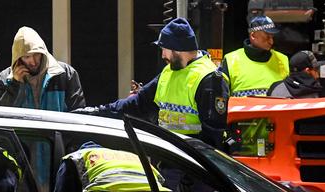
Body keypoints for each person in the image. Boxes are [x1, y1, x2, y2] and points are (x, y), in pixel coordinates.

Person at [73, 17, 229, 149]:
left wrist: (193, 176)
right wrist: (95, 112)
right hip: (171, 160)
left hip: (194, 170)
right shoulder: (169, 72)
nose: (162, 55)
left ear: (177, 48)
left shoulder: (209, 79)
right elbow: (136, 104)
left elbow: (212, 136)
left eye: (164, 49)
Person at [0, 26, 86, 111]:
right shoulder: (5, 77)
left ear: (43, 52)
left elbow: (78, 114)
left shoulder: (65, 73)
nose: (33, 62)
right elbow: (2, 115)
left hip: (57, 128)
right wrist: (14, 84)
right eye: (27, 57)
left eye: (37, 54)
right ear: (18, 58)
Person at [221, 15, 289, 97]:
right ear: (253, 36)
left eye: (272, 37)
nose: (271, 42)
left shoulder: (282, 60)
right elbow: (221, 97)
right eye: (267, 37)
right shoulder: (231, 60)